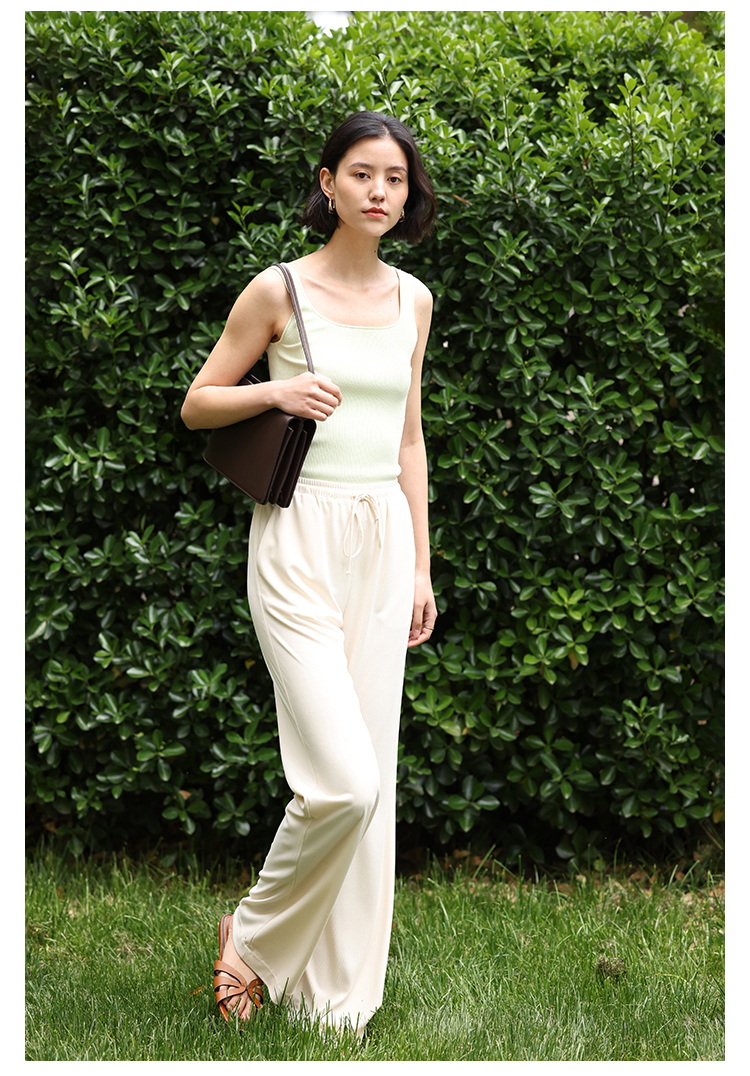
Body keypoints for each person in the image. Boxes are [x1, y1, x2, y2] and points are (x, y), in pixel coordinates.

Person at [181, 110, 438, 1037]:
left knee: (376, 774)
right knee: (343, 782)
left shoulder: (414, 300)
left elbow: (408, 440)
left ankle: (335, 1001)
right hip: (296, 536)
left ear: (407, 197)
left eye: (395, 179)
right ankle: (251, 938)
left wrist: (421, 564)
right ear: (328, 183)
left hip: (383, 538)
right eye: (362, 173)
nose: (379, 191)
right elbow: (197, 404)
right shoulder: (278, 289)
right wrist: (277, 389)